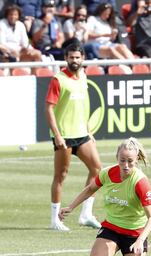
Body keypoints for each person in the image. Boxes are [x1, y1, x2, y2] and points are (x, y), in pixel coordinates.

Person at [45, 42, 102, 231]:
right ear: (66, 58)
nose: (74, 60)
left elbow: (83, 106)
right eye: (71, 57)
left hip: (82, 134)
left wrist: (88, 130)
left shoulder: (84, 76)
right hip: (65, 136)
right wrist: (58, 135)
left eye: (77, 57)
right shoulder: (58, 79)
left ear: (83, 58)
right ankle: (55, 219)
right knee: (61, 175)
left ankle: (86, 214)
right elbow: (49, 108)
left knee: (97, 169)